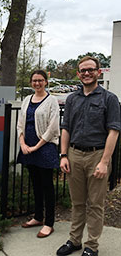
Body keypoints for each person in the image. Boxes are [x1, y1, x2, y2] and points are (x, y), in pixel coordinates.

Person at [56, 56, 120, 256]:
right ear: (78, 73)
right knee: (77, 202)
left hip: (97, 156)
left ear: (98, 72)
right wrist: (64, 155)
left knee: (95, 204)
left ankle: (91, 245)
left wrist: (104, 162)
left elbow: (114, 131)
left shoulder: (109, 99)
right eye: (82, 70)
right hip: (74, 155)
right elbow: (65, 128)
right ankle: (74, 240)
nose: (86, 73)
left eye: (90, 69)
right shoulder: (72, 99)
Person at [17, 70, 60, 238]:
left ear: (46, 82)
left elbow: (53, 127)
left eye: (40, 80)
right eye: (34, 80)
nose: (37, 83)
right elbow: (20, 124)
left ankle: (49, 223)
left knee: (47, 186)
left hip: (45, 147)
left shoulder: (52, 101)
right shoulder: (27, 100)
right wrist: (23, 144)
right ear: (31, 82)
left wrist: (37, 146)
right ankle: (37, 217)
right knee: (35, 184)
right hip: (28, 147)